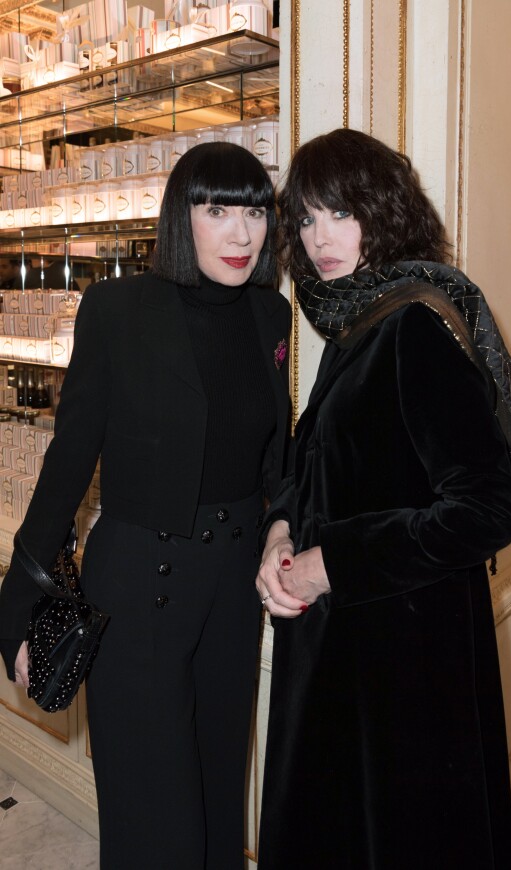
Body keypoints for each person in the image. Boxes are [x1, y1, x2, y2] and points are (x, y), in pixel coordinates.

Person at [0, 142, 291, 869]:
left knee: (220, 798)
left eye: (254, 210)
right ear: (178, 216)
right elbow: (70, 458)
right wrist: (17, 605)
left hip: (231, 593)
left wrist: (284, 524)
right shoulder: (117, 308)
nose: (240, 233)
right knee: (154, 819)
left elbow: (273, 459)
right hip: (137, 589)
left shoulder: (271, 317)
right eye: (216, 208)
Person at [255, 129, 511, 869]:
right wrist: (279, 534)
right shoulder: (354, 323)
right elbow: (315, 463)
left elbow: (487, 507)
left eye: (339, 213)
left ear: (383, 211)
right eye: (305, 219)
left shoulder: (414, 326)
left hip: (405, 682)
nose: (318, 238)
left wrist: (330, 564)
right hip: (346, 663)